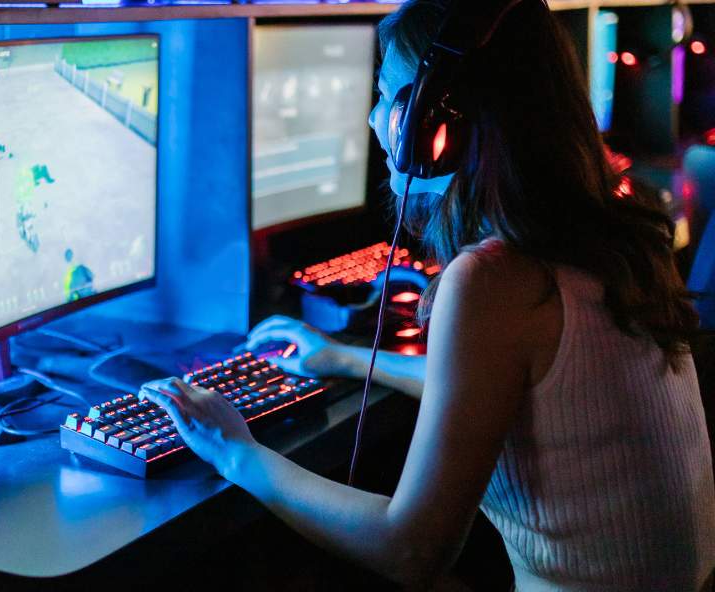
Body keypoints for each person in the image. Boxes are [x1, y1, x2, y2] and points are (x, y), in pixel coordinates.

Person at [140, 1, 715, 590]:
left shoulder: (495, 279)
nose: (372, 121)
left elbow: (412, 549)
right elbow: (493, 387)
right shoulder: (613, 237)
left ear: (438, 126)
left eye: (390, 97)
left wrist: (235, 451)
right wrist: (344, 356)